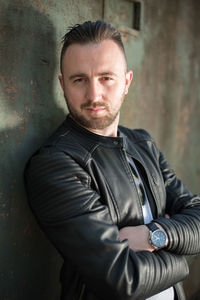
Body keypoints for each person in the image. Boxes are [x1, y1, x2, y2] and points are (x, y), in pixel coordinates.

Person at [24, 20, 200, 300]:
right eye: (79, 79)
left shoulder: (143, 144)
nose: (94, 95)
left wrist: (156, 234)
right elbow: (122, 279)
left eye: (106, 77)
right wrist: (184, 254)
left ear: (127, 81)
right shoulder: (56, 163)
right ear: (62, 84)